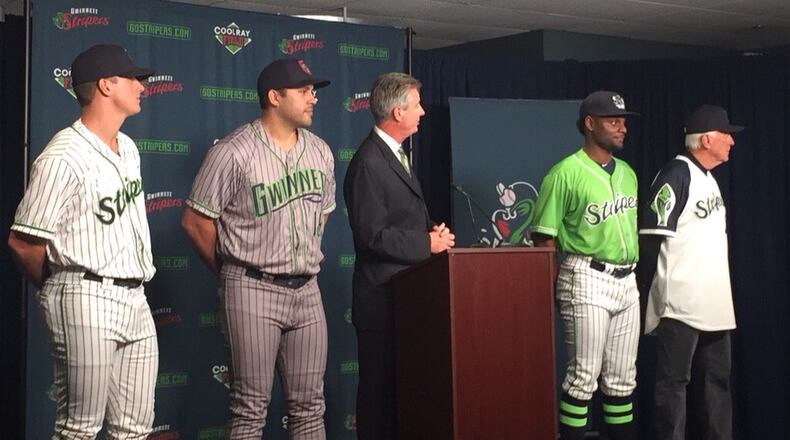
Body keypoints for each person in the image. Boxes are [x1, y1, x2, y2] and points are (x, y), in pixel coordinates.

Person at [8, 44, 157, 439]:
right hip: (84, 293)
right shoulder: (63, 155)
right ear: (107, 85)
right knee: (79, 430)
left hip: (135, 296)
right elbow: (23, 242)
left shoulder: (128, 148)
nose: (142, 86)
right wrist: (62, 288)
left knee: (134, 431)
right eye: (133, 79)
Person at [181, 58, 334, 439]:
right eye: (303, 90)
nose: (313, 97)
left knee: (311, 408)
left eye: (313, 90)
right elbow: (195, 222)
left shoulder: (321, 152)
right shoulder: (233, 152)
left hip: (307, 290)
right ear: (274, 97)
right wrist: (233, 271)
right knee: (250, 409)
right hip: (251, 286)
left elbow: (323, 215)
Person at [343, 72, 455, 439]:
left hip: (406, 301)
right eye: (417, 105)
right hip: (381, 304)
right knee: (378, 402)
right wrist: (426, 245)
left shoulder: (395, 155)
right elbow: (371, 235)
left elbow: (405, 219)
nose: (423, 111)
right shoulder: (368, 163)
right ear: (396, 112)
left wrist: (432, 232)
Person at [530, 90, 640, 440]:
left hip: (627, 280)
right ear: (589, 124)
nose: (621, 127)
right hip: (585, 274)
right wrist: (555, 288)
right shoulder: (564, 173)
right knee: (583, 378)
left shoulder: (627, 173)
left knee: (622, 379)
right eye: (613, 121)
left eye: (623, 121)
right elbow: (544, 237)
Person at [638, 104, 742, 440]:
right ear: (707, 139)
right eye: (726, 135)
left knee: (716, 386)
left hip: (715, 305)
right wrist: (649, 299)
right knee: (673, 387)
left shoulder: (709, 179)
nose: (732, 141)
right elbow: (652, 241)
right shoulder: (675, 175)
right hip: (680, 307)